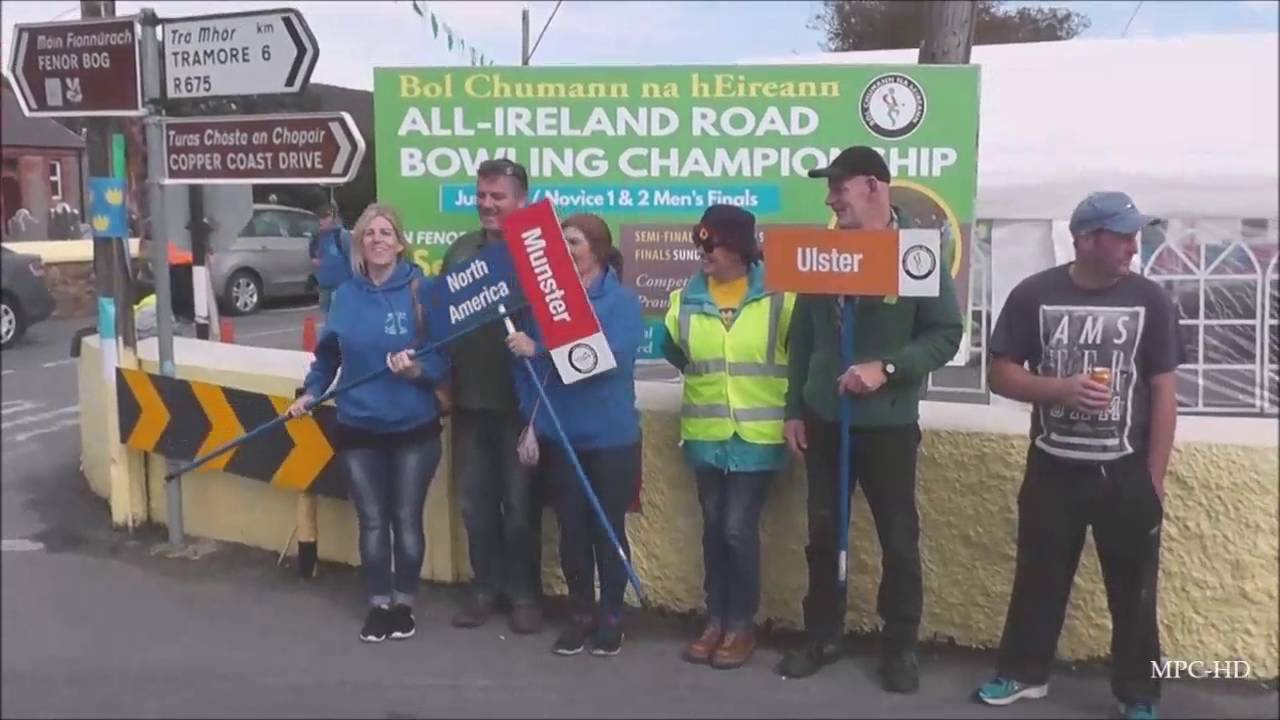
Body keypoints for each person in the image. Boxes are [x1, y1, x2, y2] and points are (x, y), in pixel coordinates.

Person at [974, 192, 1180, 720]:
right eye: (1124, 236)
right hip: (1052, 467)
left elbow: (1163, 391)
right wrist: (1060, 389)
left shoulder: (1151, 300)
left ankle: (1138, 694)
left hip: (1127, 473)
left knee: (1133, 592)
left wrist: (1153, 477)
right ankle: (1023, 674)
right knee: (1038, 578)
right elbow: (1000, 372)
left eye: (1137, 235)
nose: (1135, 246)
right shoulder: (1034, 294)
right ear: (1085, 239)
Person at [777, 146, 963, 691]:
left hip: (888, 425)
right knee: (822, 532)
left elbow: (945, 334)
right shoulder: (820, 254)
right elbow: (805, 338)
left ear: (875, 188)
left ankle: (900, 644)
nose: (831, 199)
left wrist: (888, 367)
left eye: (840, 187)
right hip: (826, 419)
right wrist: (795, 407)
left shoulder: (915, 255)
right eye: (829, 189)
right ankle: (822, 634)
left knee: (898, 537)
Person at [287, 203, 450, 644]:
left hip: (413, 427)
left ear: (400, 242)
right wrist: (310, 392)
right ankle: (378, 604)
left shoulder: (423, 290)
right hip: (358, 424)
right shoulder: (345, 296)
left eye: (386, 232)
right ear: (360, 243)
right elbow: (328, 357)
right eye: (369, 234)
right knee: (373, 520)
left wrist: (417, 370)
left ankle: (404, 605)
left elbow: (443, 358)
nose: (378, 239)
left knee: (406, 518)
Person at [505, 213, 644, 657]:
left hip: (611, 437)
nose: (565, 251)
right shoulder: (547, 303)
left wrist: (540, 349)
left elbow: (600, 361)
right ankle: (581, 615)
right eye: (560, 244)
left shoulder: (621, 302)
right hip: (562, 437)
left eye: (575, 243)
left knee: (607, 530)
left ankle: (612, 618)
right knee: (571, 532)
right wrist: (535, 418)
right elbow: (528, 373)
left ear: (597, 250)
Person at [662, 205, 795, 670]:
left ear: (739, 248)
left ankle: (741, 624)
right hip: (705, 432)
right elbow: (675, 352)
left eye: (712, 245)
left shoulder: (780, 296)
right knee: (714, 530)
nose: (704, 254)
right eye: (700, 245)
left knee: (737, 530)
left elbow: (798, 358)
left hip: (758, 435)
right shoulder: (686, 298)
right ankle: (715, 618)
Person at [442, 158, 544, 634]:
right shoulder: (461, 251)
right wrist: (440, 383)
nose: (486, 204)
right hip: (468, 401)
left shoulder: (539, 251)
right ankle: (485, 589)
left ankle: (524, 594)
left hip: (521, 405)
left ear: (520, 200)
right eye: (481, 195)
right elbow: (440, 326)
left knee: (520, 507)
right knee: (475, 504)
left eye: (497, 196)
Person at [310, 200, 353, 317]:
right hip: (324, 289)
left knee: (343, 319)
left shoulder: (342, 236)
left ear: (333, 218)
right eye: (320, 218)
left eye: (326, 217)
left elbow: (353, 260)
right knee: (329, 321)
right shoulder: (317, 238)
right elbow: (313, 257)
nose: (322, 221)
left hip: (342, 289)